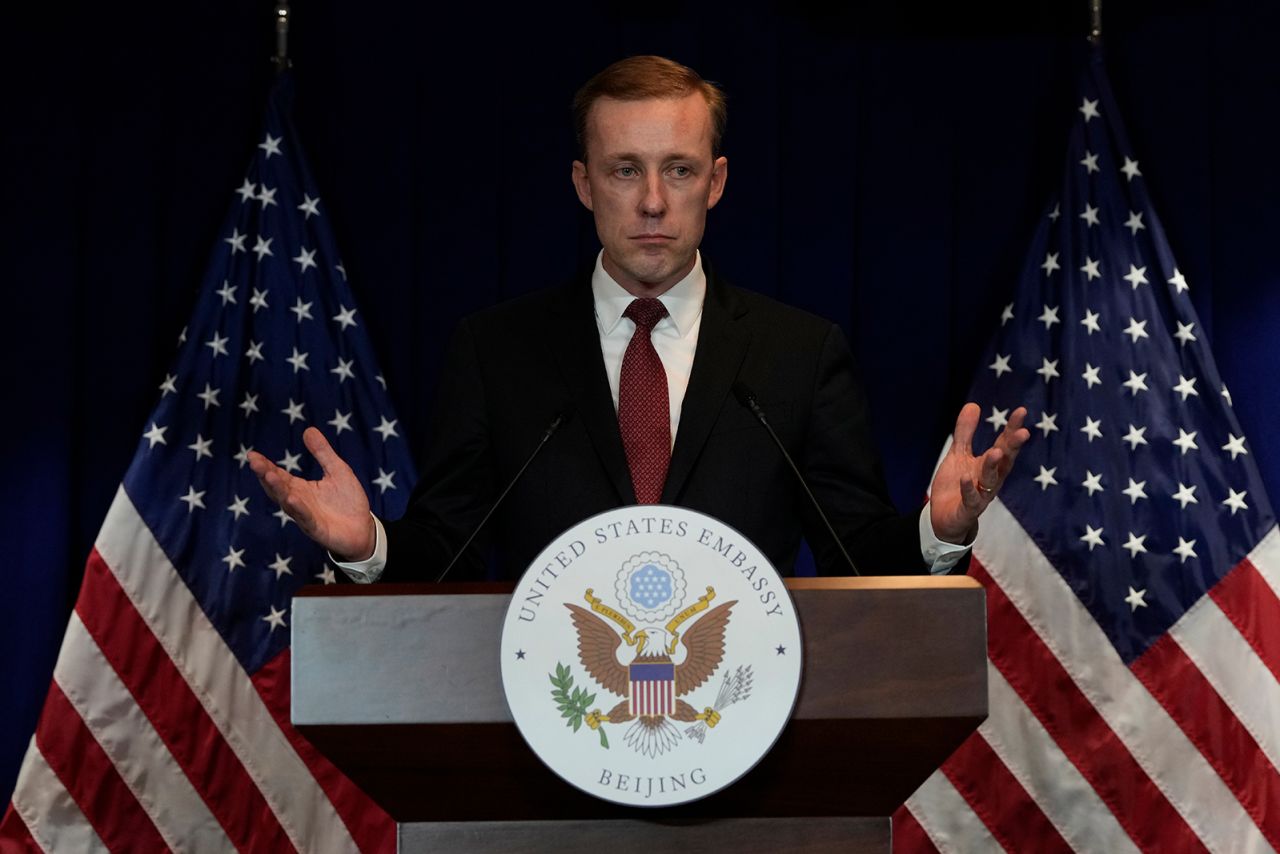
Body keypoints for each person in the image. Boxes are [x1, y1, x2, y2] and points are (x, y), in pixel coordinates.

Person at [248, 55, 1028, 582]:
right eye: (626, 170)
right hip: (547, 743)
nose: (653, 200)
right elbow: (445, 552)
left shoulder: (798, 354)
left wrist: (941, 530)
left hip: (747, 731)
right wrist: (371, 547)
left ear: (715, 182)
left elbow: (856, 556)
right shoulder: (498, 352)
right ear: (584, 184)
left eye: (679, 169)